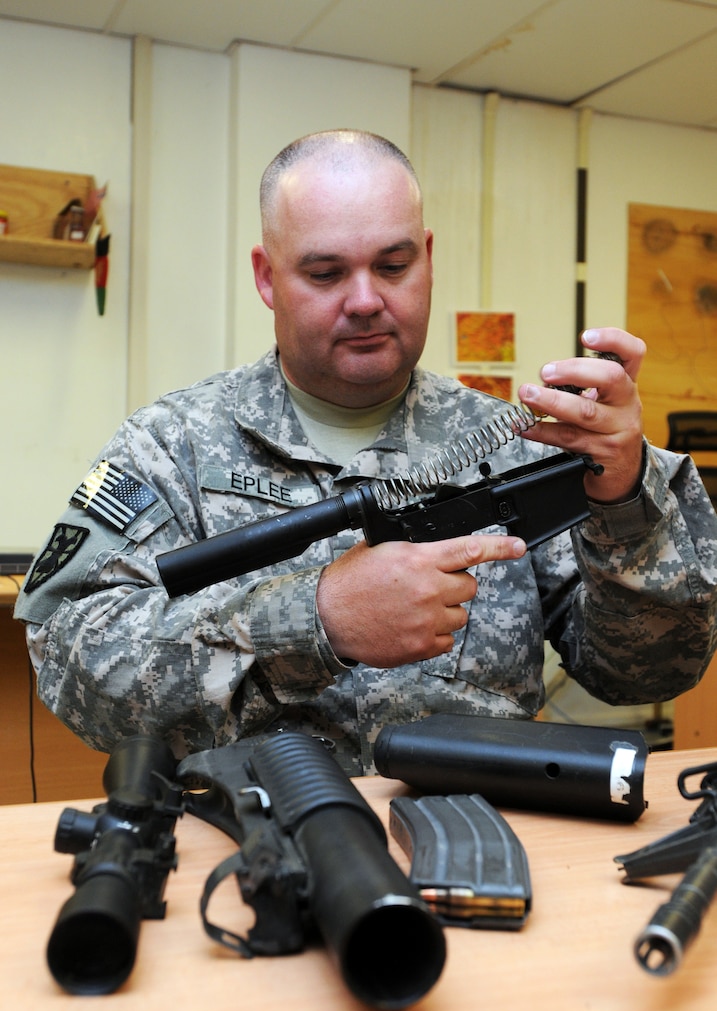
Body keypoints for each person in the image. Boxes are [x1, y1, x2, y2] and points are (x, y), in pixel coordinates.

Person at [15, 129, 717, 774]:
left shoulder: (520, 445)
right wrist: (313, 619)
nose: (364, 300)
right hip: (249, 848)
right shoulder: (172, 445)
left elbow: (648, 676)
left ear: (428, 259)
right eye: (324, 273)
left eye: (392, 265)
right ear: (267, 277)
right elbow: (71, 666)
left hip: (473, 843)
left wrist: (625, 499)